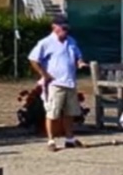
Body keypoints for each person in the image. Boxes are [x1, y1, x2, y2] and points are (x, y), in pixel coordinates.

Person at [28, 16, 88, 152]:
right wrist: (45, 75)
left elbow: (78, 56)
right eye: (62, 27)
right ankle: (51, 141)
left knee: (70, 112)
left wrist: (80, 62)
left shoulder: (72, 41)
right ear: (54, 27)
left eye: (67, 28)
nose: (65, 31)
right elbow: (33, 59)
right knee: (52, 113)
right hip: (55, 84)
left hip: (70, 82)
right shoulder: (45, 43)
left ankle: (70, 139)